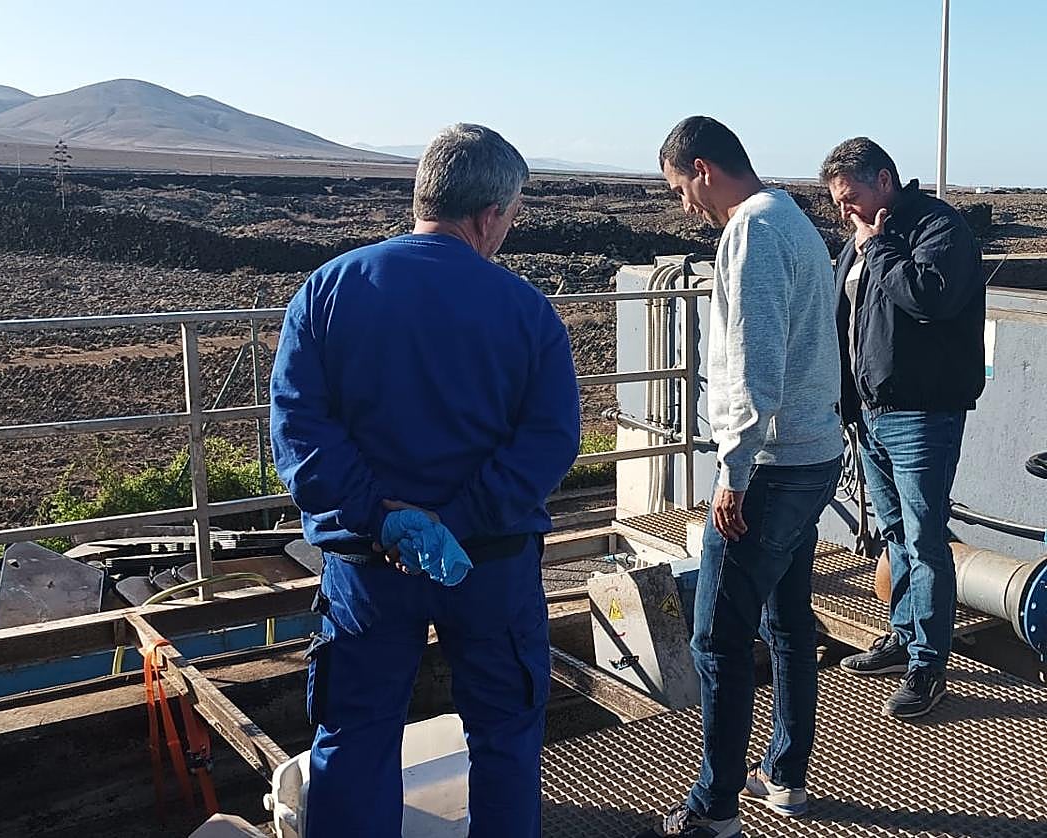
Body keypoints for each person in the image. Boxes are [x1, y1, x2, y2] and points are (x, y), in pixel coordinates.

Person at [269, 123, 581, 838]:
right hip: (490, 565)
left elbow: (300, 430)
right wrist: (456, 521)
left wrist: (383, 518)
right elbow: (548, 441)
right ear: (490, 215)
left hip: (366, 568)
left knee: (355, 739)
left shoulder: (328, 291)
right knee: (504, 740)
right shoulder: (526, 310)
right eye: (512, 216)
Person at [641, 116, 843, 838]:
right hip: (813, 455)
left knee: (718, 639)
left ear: (702, 168)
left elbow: (756, 364)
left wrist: (732, 471)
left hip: (769, 468)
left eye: (680, 188)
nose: (685, 205)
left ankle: (714, 807)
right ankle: (785, 776)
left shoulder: (751, 230)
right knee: (787, 623)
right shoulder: (794, 220)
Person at [821, 137, 985, 719]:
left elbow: (928, 298)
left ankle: (928, 666)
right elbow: (844, 322)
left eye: (851, 196)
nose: (845, 210)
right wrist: (846, 405)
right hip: (870, 412)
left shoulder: (937, 228)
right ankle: (903, 635)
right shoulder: (860, 240)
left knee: (924, 538)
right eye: (838, 203)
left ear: (884, 180)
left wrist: (880, 245)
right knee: (893, 532)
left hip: (922, 414)